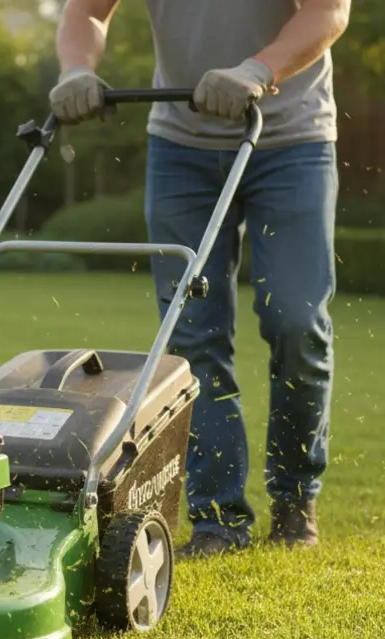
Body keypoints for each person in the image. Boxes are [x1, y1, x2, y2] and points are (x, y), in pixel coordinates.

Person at [50, 0, 351, 557]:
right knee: (193, 335)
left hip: (291, 140)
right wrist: (76, 69)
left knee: (296, 319)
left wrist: (258, 69)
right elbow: (87, 11)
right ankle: (217, 518)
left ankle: (294, 499)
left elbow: (330, 13)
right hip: (179, 148)